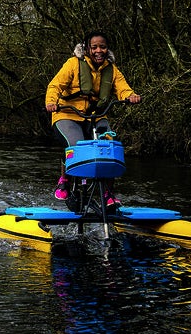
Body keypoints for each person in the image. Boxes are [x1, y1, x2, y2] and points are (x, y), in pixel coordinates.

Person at [45, 31, 141, 209]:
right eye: (94, 47)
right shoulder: (73, 64)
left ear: (107, 49)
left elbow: (123, 89)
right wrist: (51, 102)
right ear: (87, 48)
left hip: (95, 116)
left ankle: (108, 194)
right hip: (67, 113)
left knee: (109, 146)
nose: (99, 51)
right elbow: (55, 85)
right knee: (76, 145)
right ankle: (65, 179)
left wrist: (131, 96)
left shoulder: (112, 70)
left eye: (103, 47)